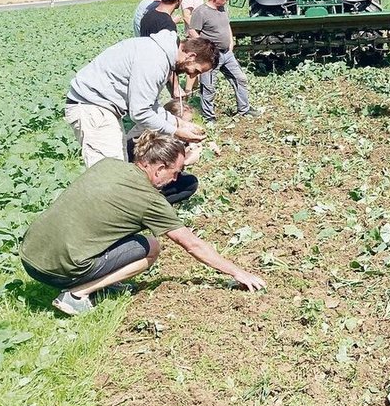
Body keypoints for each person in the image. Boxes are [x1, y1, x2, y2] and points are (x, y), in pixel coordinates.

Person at [20, 131, 266, 316]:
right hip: (58, 270)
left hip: (30, 256)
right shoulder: (150, 201)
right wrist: (238, 272)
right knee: (150, 246)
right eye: (176, 172)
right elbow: (193, 245)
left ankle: (97, 282)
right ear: (159, 168)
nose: (176, 179)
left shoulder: (109, 164)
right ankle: (77, 294)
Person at [66, 31, 217, 165]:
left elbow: (150, 105)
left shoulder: (160, 55)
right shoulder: (155, 61)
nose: (192, 75)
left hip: (100, 107)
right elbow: (140, 112)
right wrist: (175, 131)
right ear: (191, 56)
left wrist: (179, 123)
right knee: (109, 173)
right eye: (196, 70)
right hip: (92, 107)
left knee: (118, 166)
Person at [188, 0, 259, 121]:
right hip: (210, 57)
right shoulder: (201, 12)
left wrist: (231, 41)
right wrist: (206, 50)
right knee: (208, 86)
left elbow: (227, 25)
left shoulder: (222, 9)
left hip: (227, 54)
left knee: (240, 79)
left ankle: (244, 109)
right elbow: (192, 32)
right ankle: (209, 117)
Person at [125, 99, 202, 205]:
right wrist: (184, 161)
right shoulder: (152, 139)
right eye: (186, 123)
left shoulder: (166, 135)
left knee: (190, 182)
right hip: (138, 183)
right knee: (187, 183)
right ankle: (151, 206)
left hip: (149, 180)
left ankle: (155, 204)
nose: (189, 127)